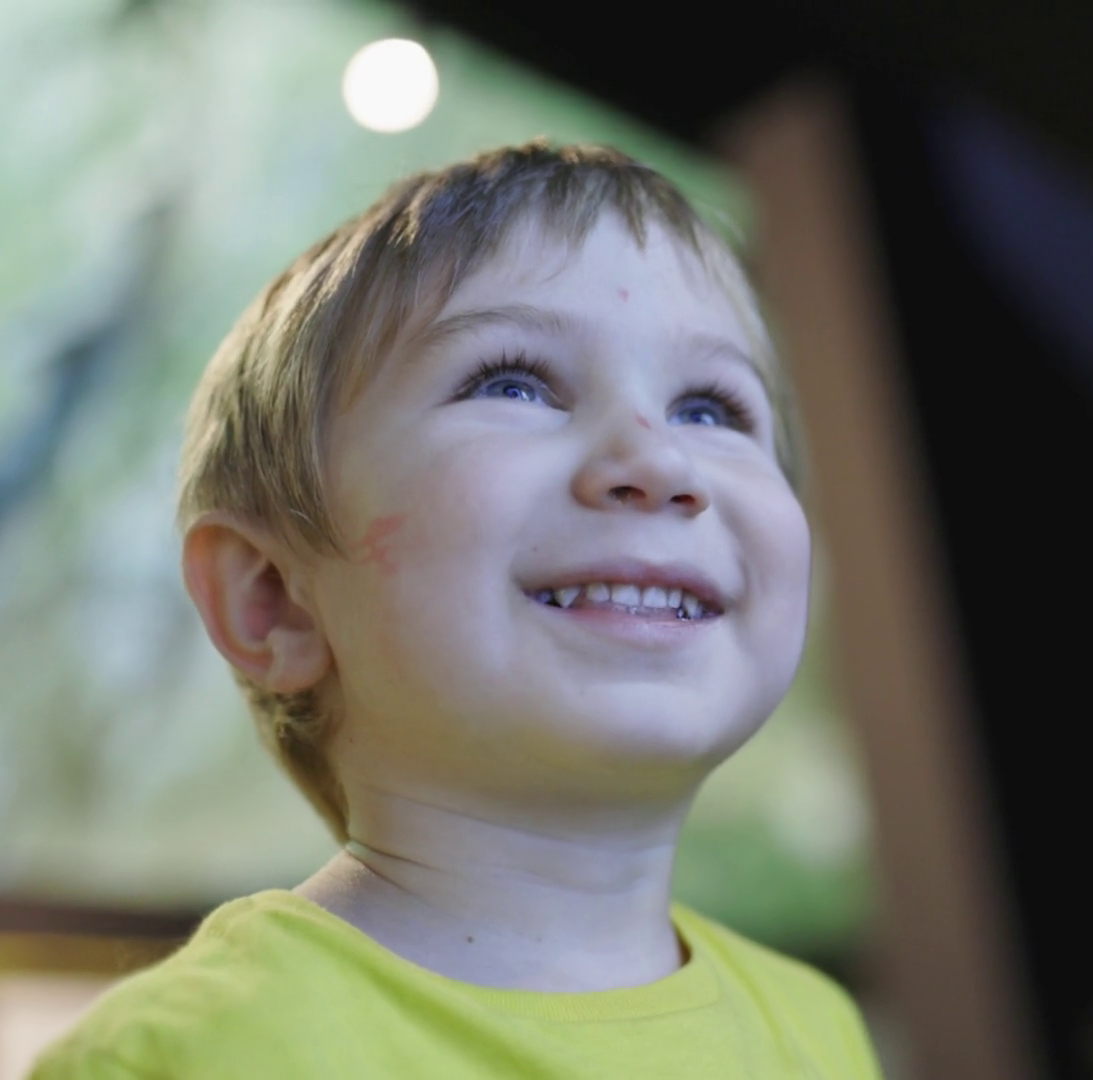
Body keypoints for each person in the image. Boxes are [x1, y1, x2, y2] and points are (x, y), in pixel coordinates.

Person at [33, 142, 881, 1078]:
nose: (659, 462)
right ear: (273, 598)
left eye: (712, 409)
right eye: (513, 384)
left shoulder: (820, 1033)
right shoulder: (193, 1056)